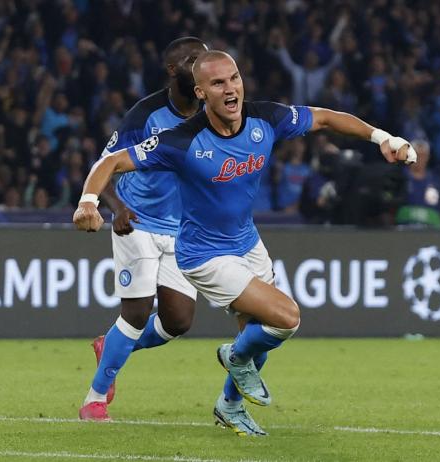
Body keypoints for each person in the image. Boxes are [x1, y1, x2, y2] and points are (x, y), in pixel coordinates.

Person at [73, 50, 416, 435]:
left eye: (234, 78)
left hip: (247, 243)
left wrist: (382, 137)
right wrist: (88, 202)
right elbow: (111, 162)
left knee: (258, 335)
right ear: (201, 93)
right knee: (285, 318)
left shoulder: (264, 118)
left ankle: (230, 406)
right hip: (203, 254)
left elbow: (323, 117)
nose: (231, 88)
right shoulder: (181, 141)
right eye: (218, 83)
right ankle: (228, 357)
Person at [77, 37, 208, 422]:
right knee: (136, 311)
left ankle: (112, 345)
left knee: (177, 322)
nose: (202, 67)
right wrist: (114, 206)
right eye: (193, 61)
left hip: (183, 227)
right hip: (138, 220)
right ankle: (95, 399)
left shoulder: (210, 114)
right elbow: (106, 164)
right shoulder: (145, 114)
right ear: (173, 70)